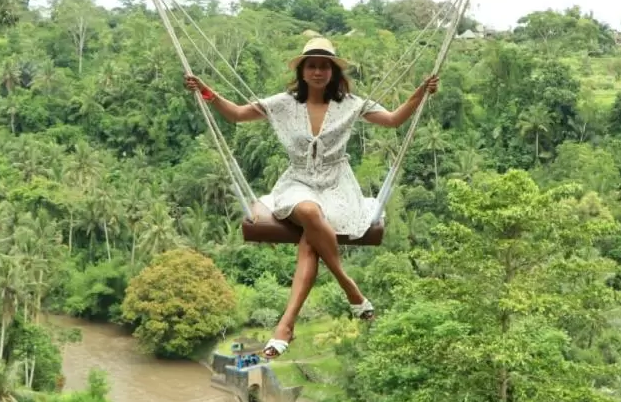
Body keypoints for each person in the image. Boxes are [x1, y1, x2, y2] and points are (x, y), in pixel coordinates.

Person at [183, 36, 439, 359]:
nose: (318, 71)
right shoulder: (284, 104)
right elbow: (236, 114)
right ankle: (351, 290)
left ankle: (285, 326)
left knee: (311, 239)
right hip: (298, 182)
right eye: (312, 66)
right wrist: (206, 92)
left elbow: (393, 120)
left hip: (337, 185)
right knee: (308, 210)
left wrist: (421, 92)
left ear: (332, 72)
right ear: (302, 71)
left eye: (324, 66)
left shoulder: (351, 105)